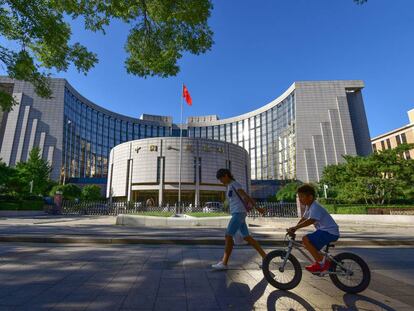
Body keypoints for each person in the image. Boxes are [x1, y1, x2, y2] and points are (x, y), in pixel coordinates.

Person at [212, 168, 267, 270]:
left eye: (221, 178)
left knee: (228, 236)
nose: (221, 181)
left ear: (226, 175)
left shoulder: (235, 184)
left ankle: (224, 263)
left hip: (239, 213)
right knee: (247, 237)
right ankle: (266, 257)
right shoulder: (229, 186)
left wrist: (258, 208)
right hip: (238, 213)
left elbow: (245, 196)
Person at [287, 184, 339, 273]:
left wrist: (296, 227)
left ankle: (321, 263)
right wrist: (295, 228)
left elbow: (310, 220)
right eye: (299, 197)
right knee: (309, 244)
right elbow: (304, 219)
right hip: (325, 231)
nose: (300, 199)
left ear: (310, 197)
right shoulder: (309, 207)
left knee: (305, 239)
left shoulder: (315, 207)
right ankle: (323, 261)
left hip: (329, 232)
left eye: (302, 197)